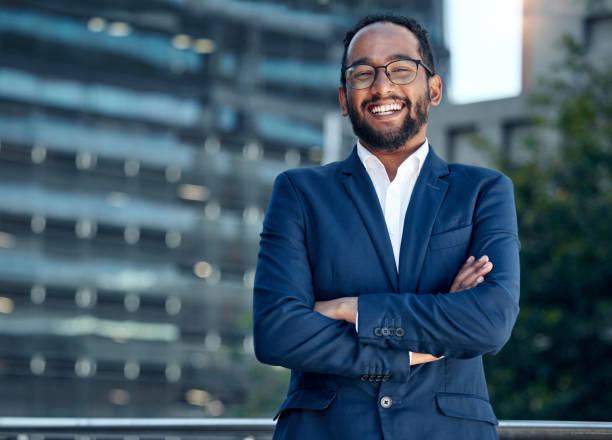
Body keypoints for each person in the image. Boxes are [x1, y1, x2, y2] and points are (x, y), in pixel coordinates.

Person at [253, 13, 520, 440]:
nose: (381, 86)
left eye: (400, 69)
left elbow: (490, 321)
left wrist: (353, 309)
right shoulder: (299, 193)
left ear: (433, 89)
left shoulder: (483, 191)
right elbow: (277, 333)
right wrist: (419, 348)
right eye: (363, 74)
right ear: (344, 99)